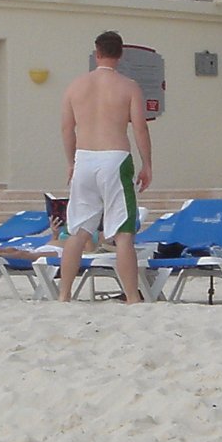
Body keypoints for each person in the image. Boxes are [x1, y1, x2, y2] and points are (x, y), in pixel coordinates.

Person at [57, 31, 152, 303]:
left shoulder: (75, 86)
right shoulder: (129, 87)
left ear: (96, 53)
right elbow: (140, 129)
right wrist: (147, 165)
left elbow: (66, 127)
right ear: (120, 55)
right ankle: (132, 297)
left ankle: (64, 294)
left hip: (84, 157)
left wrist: (70, 162)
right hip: (115, 158)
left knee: (78, 231)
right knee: (123, 233)